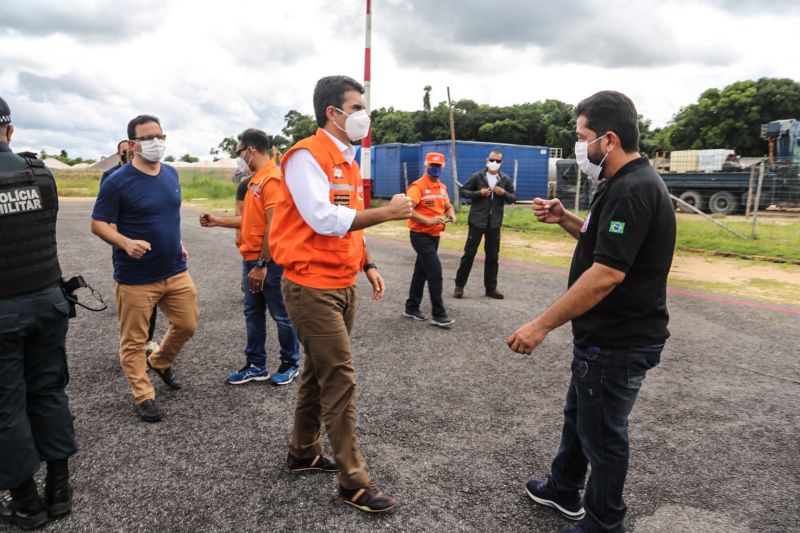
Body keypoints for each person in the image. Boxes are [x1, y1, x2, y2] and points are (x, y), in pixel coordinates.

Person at [507, 91, 676, 533]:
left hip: (619, 339)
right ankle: (564, 488)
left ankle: (604, 522)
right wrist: (565, 218)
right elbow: (599, 237)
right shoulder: (621, 182)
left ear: (609, 139)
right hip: (602, 337)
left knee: (603, 435)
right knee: (581, 416)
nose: (580, 147)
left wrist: (541, 325)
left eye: (583, 137)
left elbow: (606, 273)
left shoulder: (634, 190)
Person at [270, 75, 412, 513]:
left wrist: (367, 263)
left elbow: (347, 217)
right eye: (356, 107)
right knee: (341, 379)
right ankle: (354, 481)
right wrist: (387, 213)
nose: (363, 115)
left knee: (318, 372)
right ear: (332, 113)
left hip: (340, 282)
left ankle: (303, 452)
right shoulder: (305, 156)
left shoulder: (348, 160)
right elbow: (323, 218)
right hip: (311, 285)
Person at [91, 114, 199, 423]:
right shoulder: (117, 182)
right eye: (149, 138)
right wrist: (124, 242)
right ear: (133, 144)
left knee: (188, 324)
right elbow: (98, 224)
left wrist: (177, 242)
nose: (157, 143)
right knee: (134, 341)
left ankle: (161, 361)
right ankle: (143, 394)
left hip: (175, 269)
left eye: (161, 136)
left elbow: (168, 216)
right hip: (136, 276)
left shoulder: (171, 174)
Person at [0, 96, 77, 530]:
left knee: (6, 407)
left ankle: (27, 504)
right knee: (48, 391)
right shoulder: (40, 174)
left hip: (3, 310)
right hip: (47, 301)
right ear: (10, 131)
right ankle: (60, 492)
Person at [199, 128, 301, 386]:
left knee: (280, 313)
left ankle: (290, 362)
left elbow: (273, 226)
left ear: (251, 150)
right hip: (253, 260)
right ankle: (256, 365)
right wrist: (217, 221)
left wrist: (262, 264)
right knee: (252, 313)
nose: (239, 157)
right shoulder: (256, 180)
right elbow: (251, 220)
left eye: (239, 151)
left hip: (268, 261)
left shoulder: (273, 180)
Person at [101, 140, 160, 355]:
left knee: (151, 300)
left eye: (131, 150)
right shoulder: (111, 177)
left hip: (149, 247)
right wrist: (123, 243)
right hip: (125, 247)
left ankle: (148, 342)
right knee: (131, 301)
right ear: (119, 154)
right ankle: (134, 346)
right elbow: (106, 217)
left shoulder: (148, 173)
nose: (129, 154)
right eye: (124, 152)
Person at [403, 152, 456, 327]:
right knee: (435, 272)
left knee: (421, 272)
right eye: (432, 165)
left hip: (434, 236)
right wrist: (428, 220)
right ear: (426, 166)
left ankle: (411, 307)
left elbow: (448, 206)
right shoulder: (417, 187)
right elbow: (407, 209)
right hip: (420, 235)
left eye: (438, 166)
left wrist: (451, 213)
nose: (435, 169)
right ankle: (439, 314)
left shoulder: (442, 188)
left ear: (443, 167)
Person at [454, 150, 516, 299]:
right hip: (477, 221)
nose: (494, 163)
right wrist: (479, 193)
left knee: (493, 256)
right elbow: (463, 191)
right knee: (469, 254)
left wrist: (504, 194)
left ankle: (491, 288)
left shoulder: (505, 179)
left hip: (494, 223)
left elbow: (513, 198)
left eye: (498, 161)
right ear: (487, 160)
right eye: (492, 160)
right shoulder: (478, 176)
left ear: (502, 163)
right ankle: (459, 286)